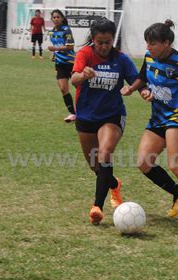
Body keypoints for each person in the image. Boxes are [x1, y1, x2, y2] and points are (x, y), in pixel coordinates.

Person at [121, 19, 178, 233]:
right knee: (144, 162)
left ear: (166, 43)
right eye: (147, 42)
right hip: (157, 117)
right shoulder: (149, 57)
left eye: (152, 43)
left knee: (176, 164)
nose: (148, 47)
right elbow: (143, 77)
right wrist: (136, 89)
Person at [71, 18, 139, 225]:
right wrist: (83, 74)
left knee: (105, 153)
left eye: (107, 42)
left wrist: (133, 88)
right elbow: (73, 79)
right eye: (99, 42)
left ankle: (97, 207)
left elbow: (136, 79)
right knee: (96, 166)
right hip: (86, 116)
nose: (103, 46)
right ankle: (113, 183)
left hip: (112, 115)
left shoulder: (121, 59)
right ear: (93, 39)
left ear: (113, 40)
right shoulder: (84, 54)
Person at [48, 9, 77, 123]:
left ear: (62, 18)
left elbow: (70, 46)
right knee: (63, 89)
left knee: (79, 87)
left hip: (71, 63)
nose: (56, 19)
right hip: (60, 64)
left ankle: (86, 109)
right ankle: (72, 113)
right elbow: (56, 46)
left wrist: (55, 49)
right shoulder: (51, 32)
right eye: (54, 17)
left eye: (58, 17)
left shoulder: (66, 30)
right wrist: (54, 55)